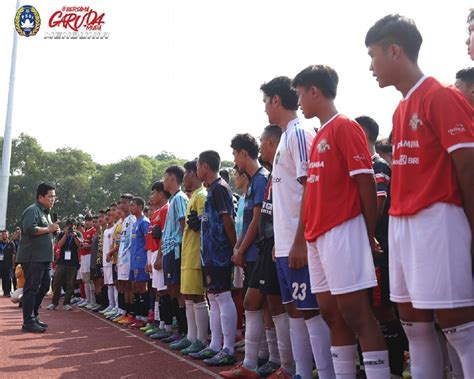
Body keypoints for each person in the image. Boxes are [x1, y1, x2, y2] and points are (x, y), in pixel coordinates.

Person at [366, 14, 474, 377]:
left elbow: (468, 168)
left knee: (459, 327)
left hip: (438, 219)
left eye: (373, 55)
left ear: (394, 50)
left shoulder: (442, 96)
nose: (371, 67)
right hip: (402, 224)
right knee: (414, 325)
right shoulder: (400, 109)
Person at [292, 65, 389, 378]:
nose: (300, 102)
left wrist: (366, 233)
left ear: (314, 91)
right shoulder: (320, 133)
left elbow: (365, 184)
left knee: (357, 314)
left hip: (343, 230)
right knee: (331, 315)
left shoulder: (345, 126)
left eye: (300, 95)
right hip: (319, 236)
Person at [260, 76, 334, 379]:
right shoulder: (285, 137)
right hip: (283, 244)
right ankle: (301, 372)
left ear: (277, 100)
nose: (264, 108)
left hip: (298, 242)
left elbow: (310, 188)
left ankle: (325, 373)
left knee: (311, 310)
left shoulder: (301, 133)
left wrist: (302, 241)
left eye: (265, 101)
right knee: (295, 310)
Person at [356, 115, 407, 378]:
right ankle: (372, 367)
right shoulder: (363, 166)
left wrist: (365, 235)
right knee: (367, 311)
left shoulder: (378, 166)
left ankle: (395, 369)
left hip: (379, 251)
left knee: (383, 311)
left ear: (364, 135)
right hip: (367, 249)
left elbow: (378, 205)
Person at [193, 150, 238, 366]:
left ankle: (228, 348)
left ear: (205, 166)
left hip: (220, 254)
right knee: (213, 298)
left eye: (198, 166)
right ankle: (215, 345)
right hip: (209, 254)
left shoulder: (220, 188)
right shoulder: (211, 189)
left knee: (222, 297)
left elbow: (228, 221)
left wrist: (235, 248)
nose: (196, 170)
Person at [173, 160, 209, 354]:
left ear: (193, 175)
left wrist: (201, 223)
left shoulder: (201, 195)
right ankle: (191, 337)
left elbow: (207, 223)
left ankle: (201, 340)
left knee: (197, 296)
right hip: (188, 253)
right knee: (188, 296)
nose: (184, 178)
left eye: (186, 174)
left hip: (196, 254)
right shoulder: (193, 196)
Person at [16, 182, 60, 333]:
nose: (53, 199)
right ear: (40, 197)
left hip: (44, 257)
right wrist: (48, 228)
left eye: (54, 197)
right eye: (50, 197)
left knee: (44, 286)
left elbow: (46, 231)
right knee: (32, 288)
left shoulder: (46, 213)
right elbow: (29, 229)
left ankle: (33, 316)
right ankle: (28, 321)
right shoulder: (32, 210)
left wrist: (53, 230)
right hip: (32, 257)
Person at [161, 165, 189, 343]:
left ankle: (185, 331)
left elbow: (183, 224)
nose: (164, 181)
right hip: (169, 250)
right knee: (172, 289)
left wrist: (183, 250)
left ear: (172, 178)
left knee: (178, 290)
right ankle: (179, 329)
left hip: (176, 249)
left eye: (165, 177)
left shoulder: (179, 198)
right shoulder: (173, 200)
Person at [47, 219, 83, 311]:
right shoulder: (62, 234)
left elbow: (80, 245)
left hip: (73, 262)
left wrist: (74, 236)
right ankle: (54, 303)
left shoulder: (78, 234)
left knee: (70, 283)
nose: (70, 227)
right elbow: (59, 245)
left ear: (75, 226)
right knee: (57, 282)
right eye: (68, 225)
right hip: (62, 262)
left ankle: (66, 303)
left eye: (72, 225)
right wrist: (66, 235)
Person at [128, 197, 151, 328]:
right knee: (135, 287)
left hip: (142, 261)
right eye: (130, 206)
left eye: (134, 205)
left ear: (141, 207)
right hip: (134, 261)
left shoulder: (144, 222)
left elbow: (149, 242)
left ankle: (144, 317)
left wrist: (147, 260)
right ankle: (137, 316)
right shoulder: (135, 223)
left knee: (142, 287)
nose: (131, 208)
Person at [116, 194, 137, 325]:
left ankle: (133, 314)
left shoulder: (132, 219)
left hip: (129, 258)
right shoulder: (124, 221)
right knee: (124, 286)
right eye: (121, 203)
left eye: (124, 202)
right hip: (122, 258)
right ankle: (126, 312)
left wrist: (125, 255)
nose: (122, 205)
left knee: (130, 286)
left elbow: (131, 241)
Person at [77, 214, 97, 309]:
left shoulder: (93, 231)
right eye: (86, 221)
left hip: (89, 256)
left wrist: (85, 246)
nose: (87, 222)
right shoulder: (84, 232)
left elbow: (93, 245)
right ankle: (87, 300)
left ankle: (93, 301)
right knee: (85, 280)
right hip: (83, 256)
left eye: (89, 221)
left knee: (90, 279)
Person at [0, 230, 16, 297]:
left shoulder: (11, 243)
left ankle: (8, 292)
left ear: (8, 235)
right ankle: (4, 291)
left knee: (8, 278)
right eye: (3, 234)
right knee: (3, 278)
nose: (4, 235)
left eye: (5, 234)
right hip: (1, 263)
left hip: (8, 264)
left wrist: (13, 264)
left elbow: (13, 254)